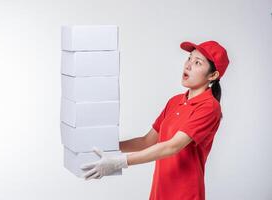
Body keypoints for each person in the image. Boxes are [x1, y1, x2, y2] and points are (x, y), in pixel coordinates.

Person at [80, 40, 230, 200]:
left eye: (197, 63)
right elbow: (147, 141)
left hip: (186, 194)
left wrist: (119, 162)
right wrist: (109, 148)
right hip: (160, 191)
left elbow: (172, 146)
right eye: (189, 58)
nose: (188, 65)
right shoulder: (175, 101)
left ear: (213, 75)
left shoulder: (209, 107)